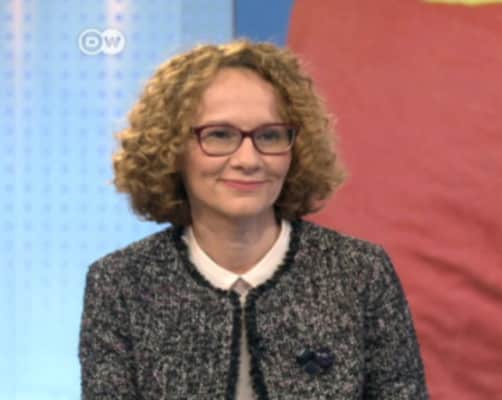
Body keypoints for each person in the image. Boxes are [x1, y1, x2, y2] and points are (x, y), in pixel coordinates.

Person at [78, 39, 429, 399]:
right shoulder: (120, 284)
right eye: (219, 135)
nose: (248, 160)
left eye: (270, 135)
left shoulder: (360, 273)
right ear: (172, 149)